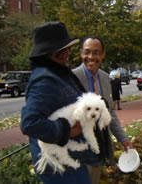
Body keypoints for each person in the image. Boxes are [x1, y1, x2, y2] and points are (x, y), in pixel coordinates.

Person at [20, 21, 92, 183]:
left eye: (68, 48)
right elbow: (30, 123)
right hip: (58, 167)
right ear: (47, 53)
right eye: (61, 49)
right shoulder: (44, 79)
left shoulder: (58, 73)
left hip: (69, 160)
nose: (67, 53)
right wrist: (66, 130)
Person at [73, 36, 132, 184]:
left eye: (96, 52)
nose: (91, 57)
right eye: (87, 52)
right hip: (79, 142)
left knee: (94, 178)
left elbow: (109, 111)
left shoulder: (105, 78)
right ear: (81, 53)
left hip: (100, 140)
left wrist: (122, 138)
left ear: (103, 54)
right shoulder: (72, 77)